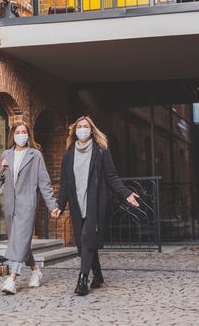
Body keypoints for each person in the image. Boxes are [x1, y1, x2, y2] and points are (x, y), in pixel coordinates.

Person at [55, 116, 140, 296]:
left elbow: (112, 177)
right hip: (77, 203)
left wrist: (126, 194)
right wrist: (59, 206)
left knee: (87, 238)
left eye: (86, 127)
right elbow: (64, 184)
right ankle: (98, 275)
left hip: (95, 202)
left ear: (92, 130)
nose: (83, 129)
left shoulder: (100, 151)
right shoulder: (68, 154)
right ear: (74, 130)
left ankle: (82, 279)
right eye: (80, 127)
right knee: (84, 242)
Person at [0, 122, 59, 294]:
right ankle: (35, 271)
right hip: (10, 202)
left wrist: (52, 204)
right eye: (18, 132)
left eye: (24, 132)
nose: (21, 135)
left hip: (27, 202)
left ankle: (12, 279)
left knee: (20, 238)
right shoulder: (6, 154)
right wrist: (2, 169)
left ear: (28, 135)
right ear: (13, 135)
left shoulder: (35, 154)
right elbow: (0, 176)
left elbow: (44, 181)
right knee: (19, 241)